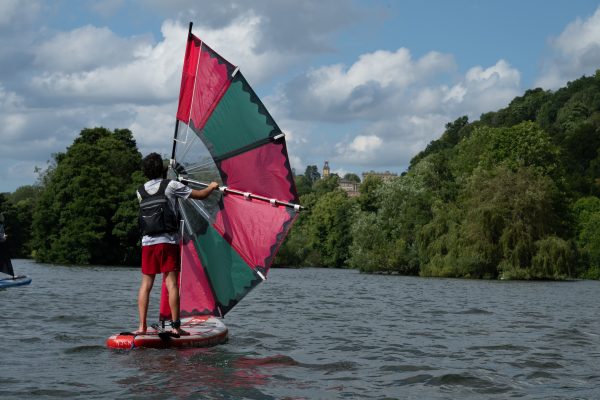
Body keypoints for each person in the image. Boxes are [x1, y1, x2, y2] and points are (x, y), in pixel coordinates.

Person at [136, 152, 218, 336]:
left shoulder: (139, 191)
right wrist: (212, 186)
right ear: (162, 169)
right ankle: (175, 326)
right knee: (171, 283)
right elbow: (201, 195)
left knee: (145, 285)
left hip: (147, 243)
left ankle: (141, 327)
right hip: (168, 242)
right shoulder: (171, 185)